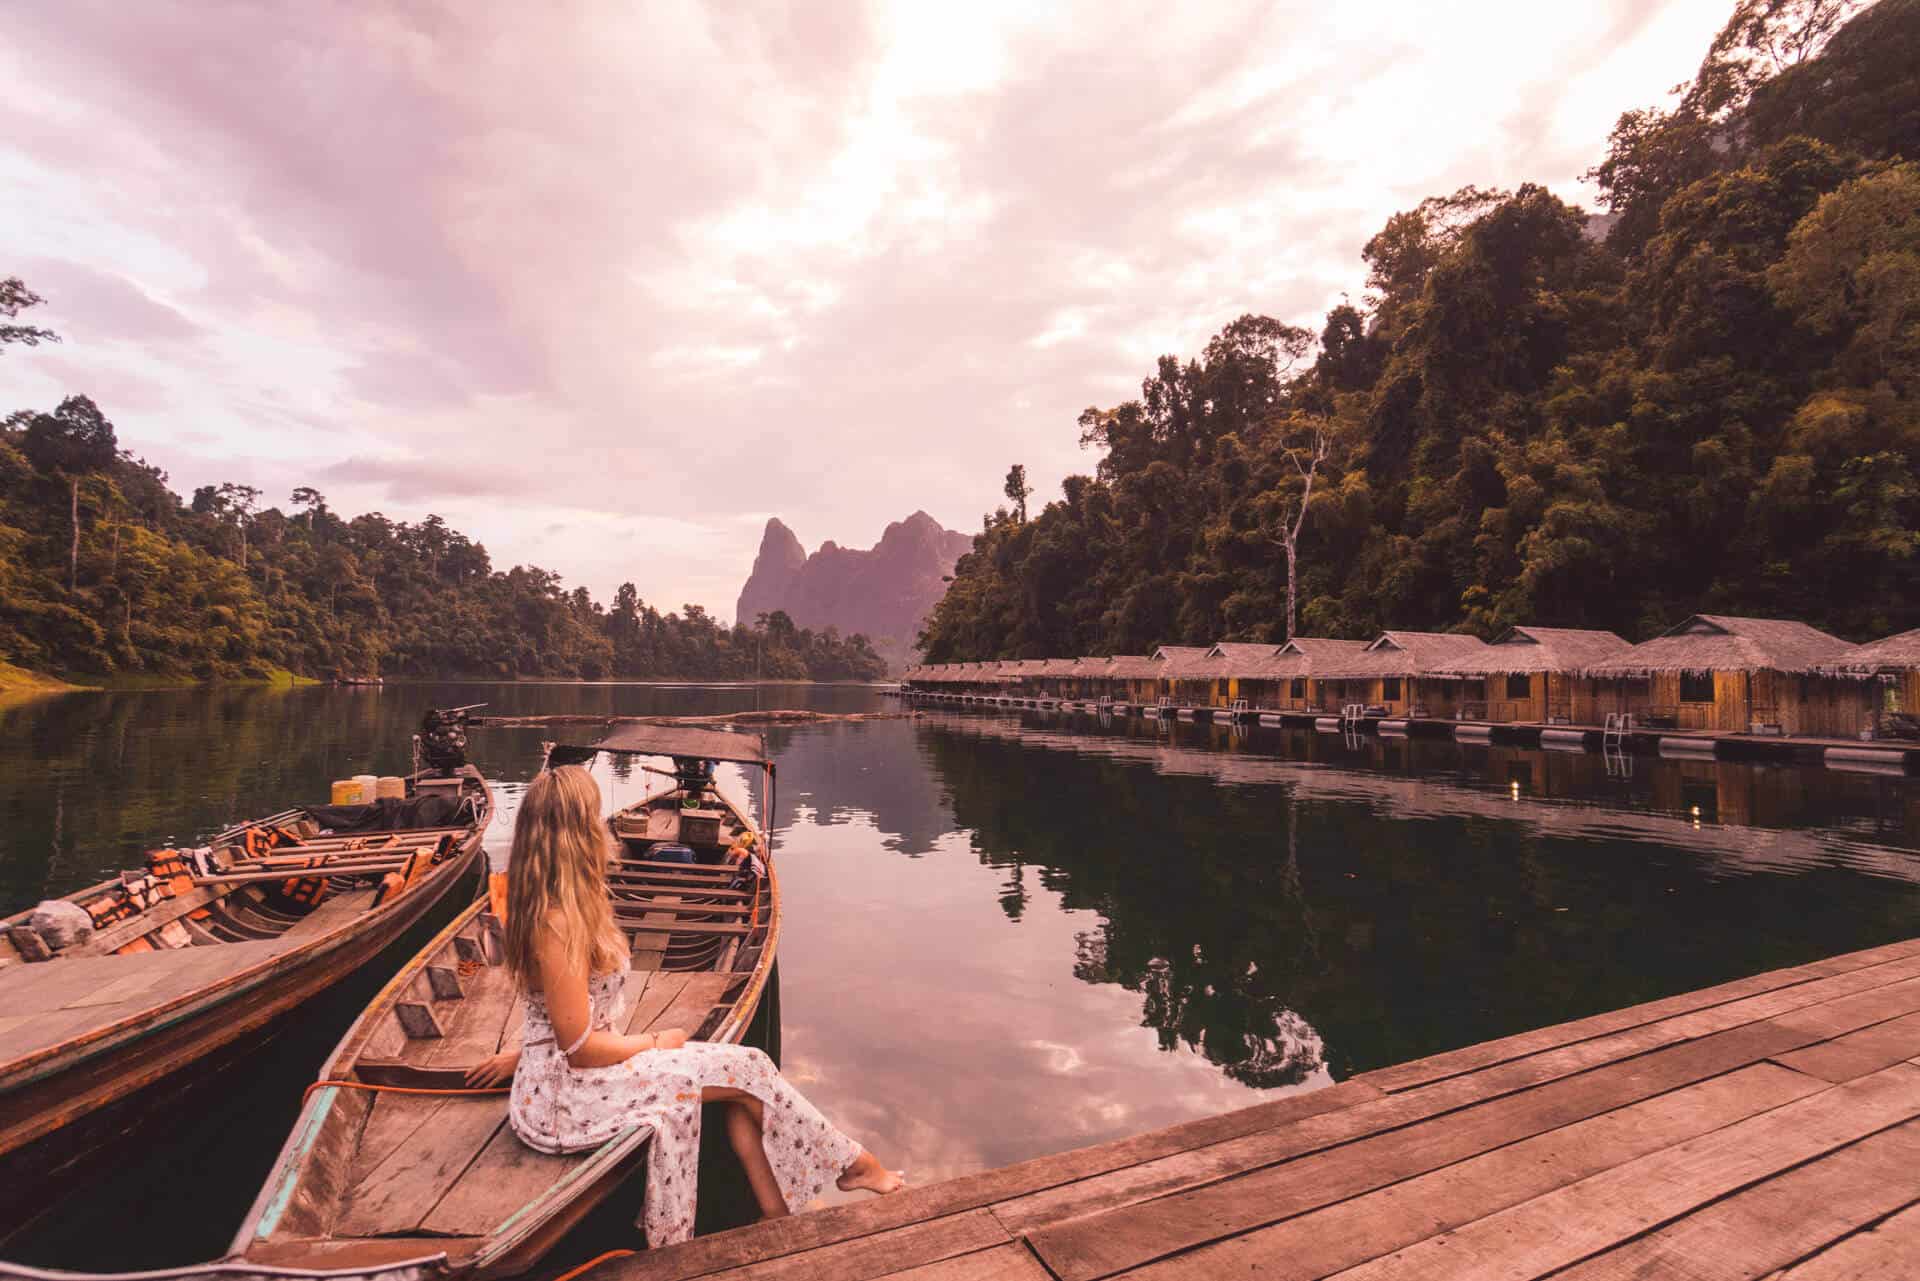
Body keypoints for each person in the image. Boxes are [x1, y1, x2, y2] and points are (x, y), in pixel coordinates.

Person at [465, 765, 902, 1246]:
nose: (600, 827)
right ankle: (855, 1164)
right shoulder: (557, 920)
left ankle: (780, 1214)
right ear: (578, 832)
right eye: (593, 816)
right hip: (567, 1100)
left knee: (747, 1072)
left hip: (569, 1075)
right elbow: (581, 1048)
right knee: (748, 1072)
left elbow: (551, 1017)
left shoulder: (564, 902)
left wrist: (526, 1055)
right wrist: (657, 1041)